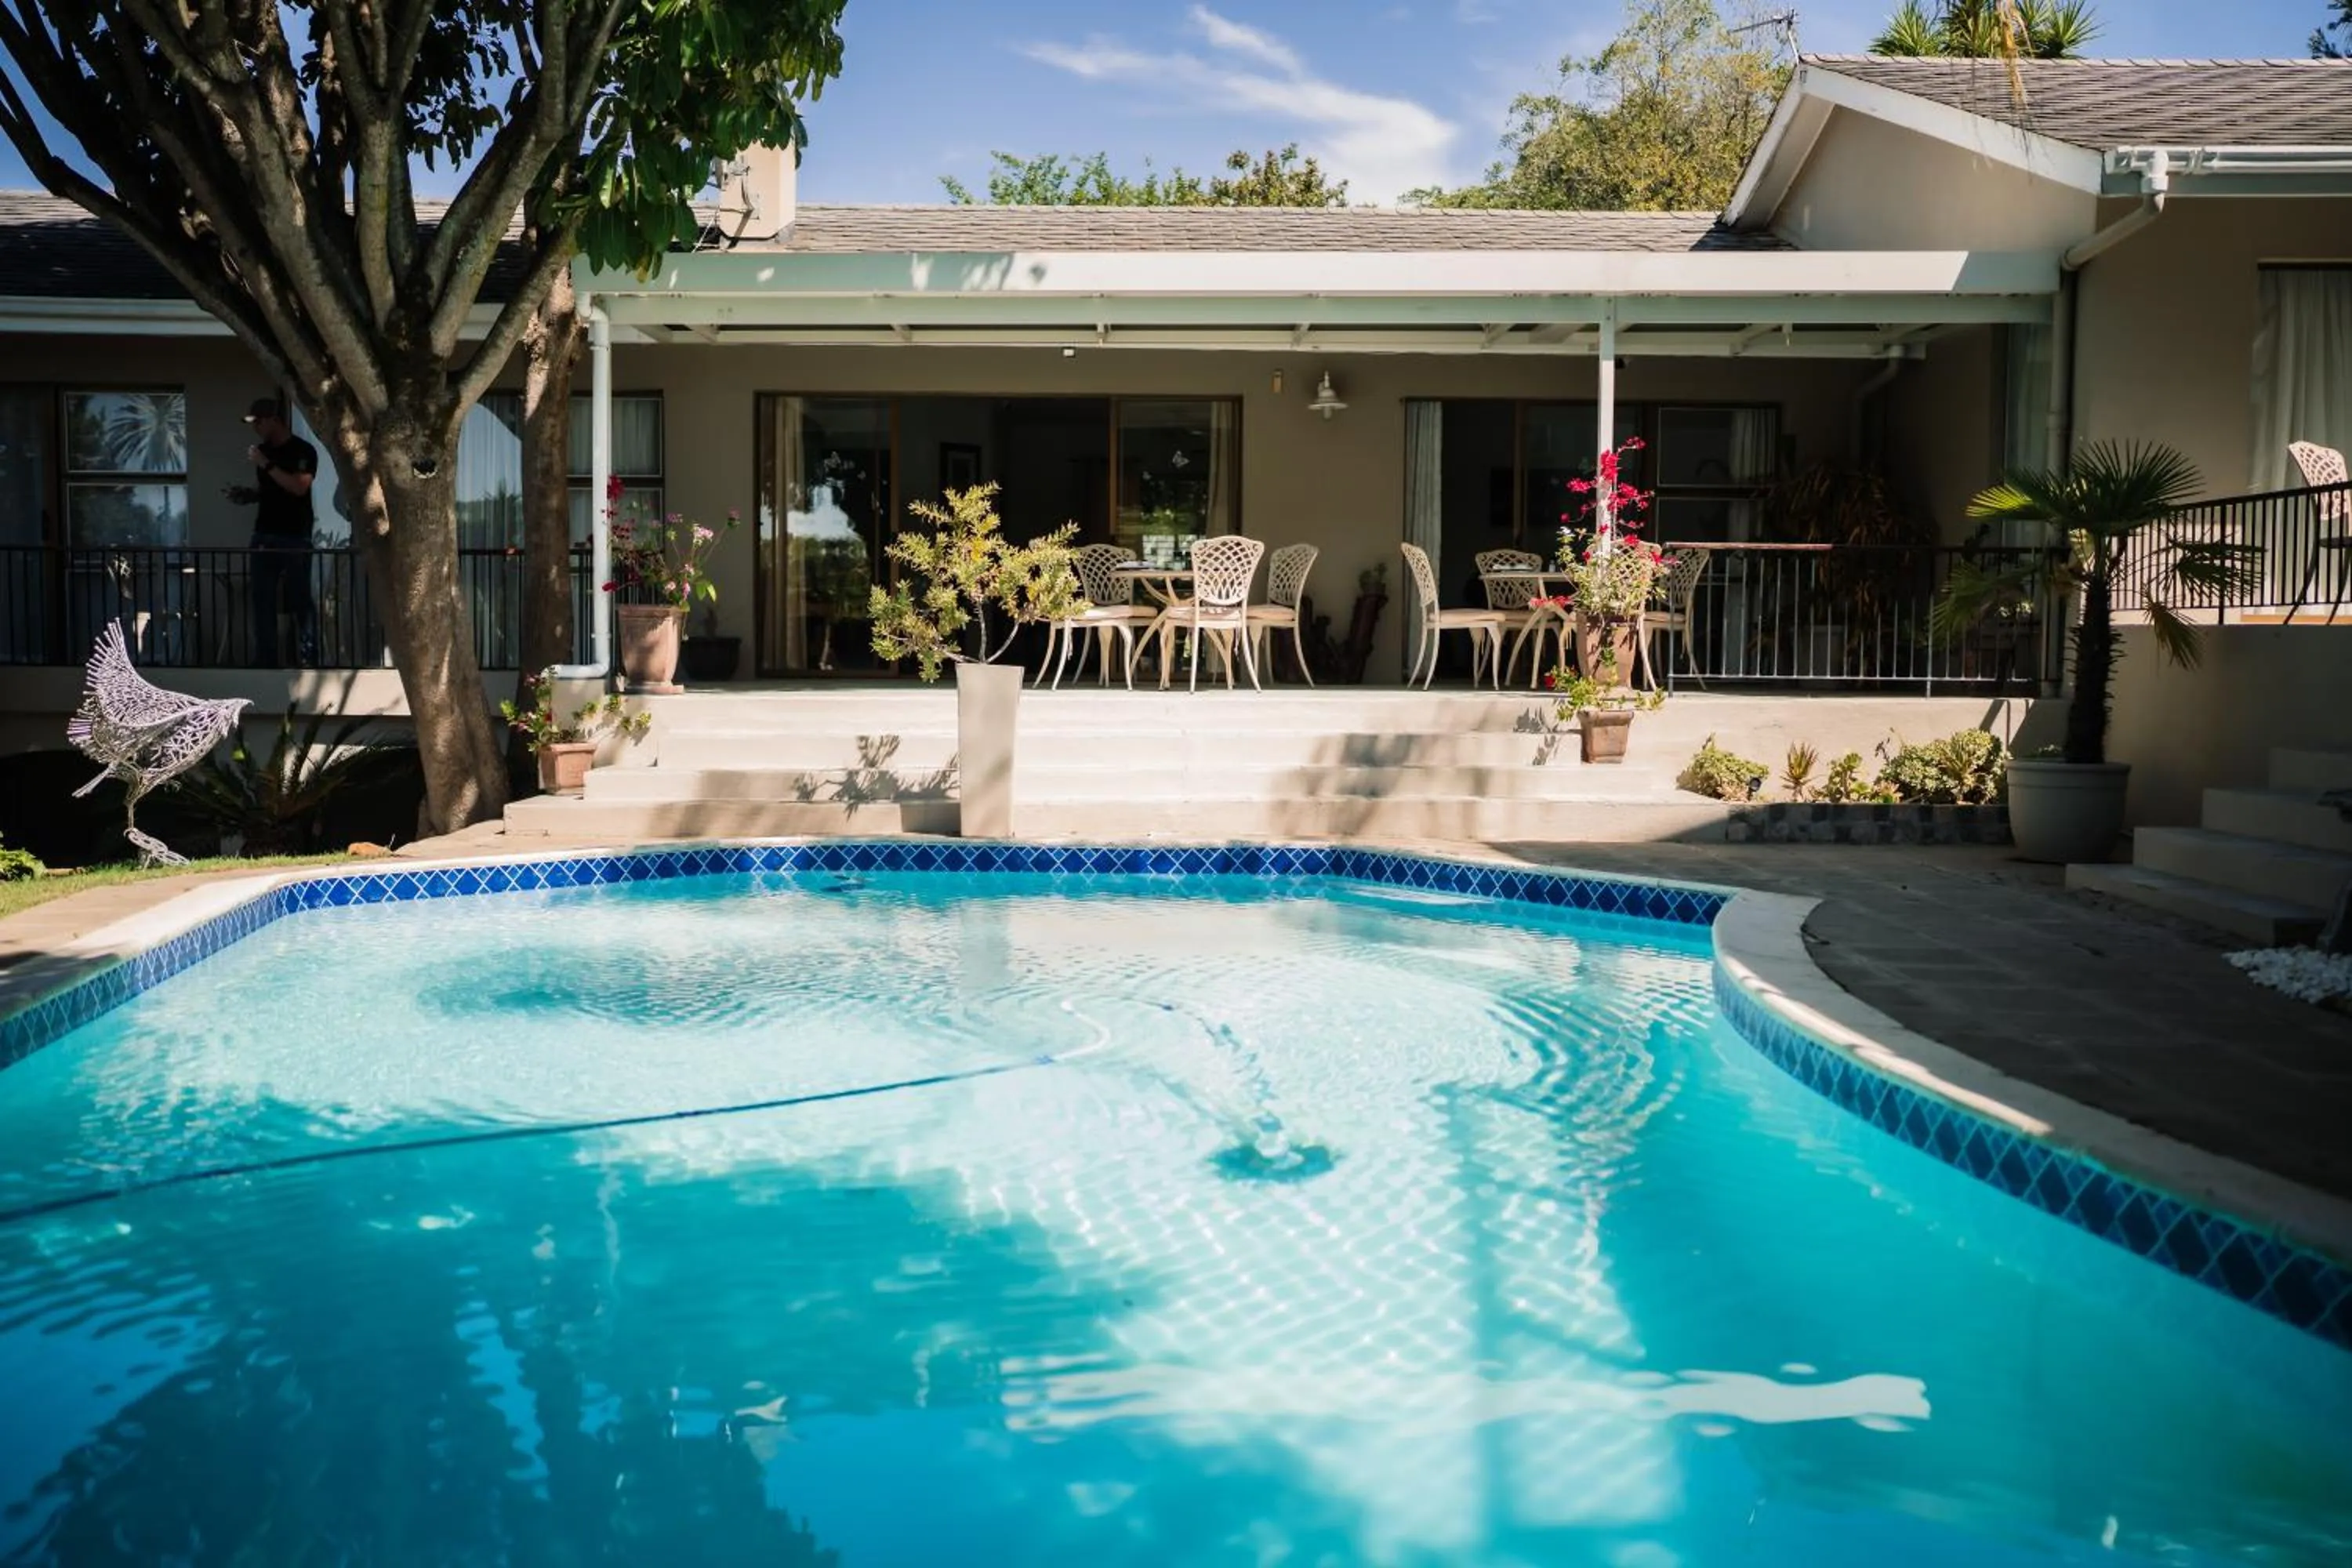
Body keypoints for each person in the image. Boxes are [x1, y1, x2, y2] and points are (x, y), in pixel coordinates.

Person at [227, 397, 318, 665]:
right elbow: (273, 490)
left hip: (294, 536)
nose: (255, 429)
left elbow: (299, 487)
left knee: (299, 598)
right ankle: (266, 658)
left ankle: (308, 656)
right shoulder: (265, 451)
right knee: (262, 599)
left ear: (274, 420)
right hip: (264, 534)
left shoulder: (302, 451)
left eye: (258, 423)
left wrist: (265, 463)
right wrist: (248, 495)